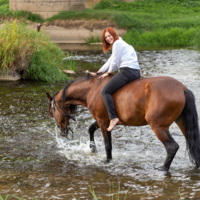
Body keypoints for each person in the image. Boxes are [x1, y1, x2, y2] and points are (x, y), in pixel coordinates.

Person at [90, 27, 140, 131]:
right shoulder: (120, 43)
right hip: (135, 72)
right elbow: (111, 60)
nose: (108, 38)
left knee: (105, 91)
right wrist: (99, 72)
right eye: (105, 37)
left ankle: (113, 118)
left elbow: (114, 62)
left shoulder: (117, 44)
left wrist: (108, 72)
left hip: (127, 71)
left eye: (109, 35)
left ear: (114, 34)